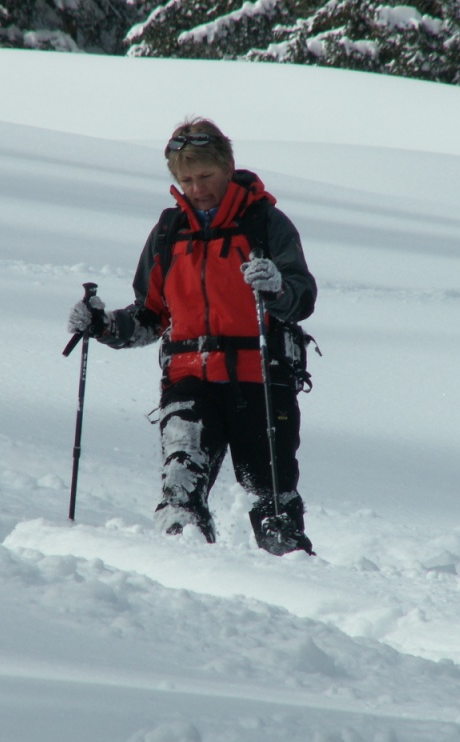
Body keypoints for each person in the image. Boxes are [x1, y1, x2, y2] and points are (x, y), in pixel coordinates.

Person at [67, 118, 317, 556]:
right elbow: (150, 316)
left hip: (262, 378)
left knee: (273, 505)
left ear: (228, 167)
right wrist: (102, 325)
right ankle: (184, 571)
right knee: (179, 495)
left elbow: (302, 298)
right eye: (186, 180)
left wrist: (277, 288)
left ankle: (291, 576)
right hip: (188, 381)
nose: (197, 188)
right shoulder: (169, 232)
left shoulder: (265, 223)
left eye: (206, 176)